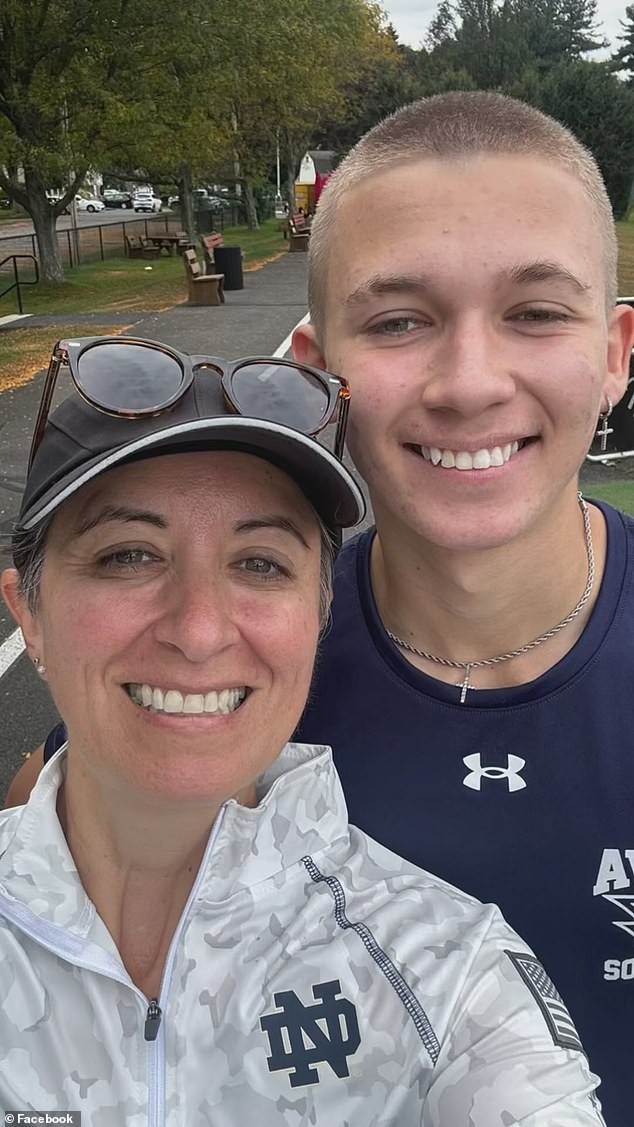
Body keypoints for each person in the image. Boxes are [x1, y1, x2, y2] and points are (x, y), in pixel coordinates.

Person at [8, 90, 634, 1120]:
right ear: (317, 372)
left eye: (533, 311)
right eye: (398, 319)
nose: (470, 381)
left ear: (613, 352)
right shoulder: (219, 669)